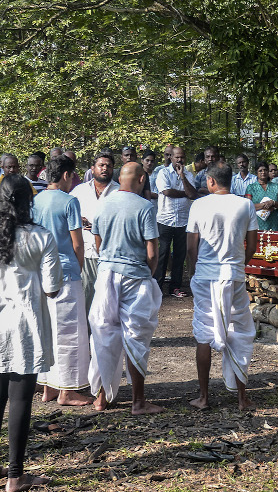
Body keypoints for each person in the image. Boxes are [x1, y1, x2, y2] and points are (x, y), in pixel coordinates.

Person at [0, 174, 60, 492]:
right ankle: (16, 476)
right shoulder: (42, 237)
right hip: (26, 326)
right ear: (28, 202)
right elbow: (53, 287)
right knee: (20, 400)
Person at [89, 163, 164, 415]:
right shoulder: (145, 207)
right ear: (142, 179)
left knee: (104, 334)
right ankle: (138, 401)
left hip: (106, 274)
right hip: (135, 277)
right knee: (136, 336)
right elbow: (152, 252)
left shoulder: (103, 204)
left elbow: (98, 244)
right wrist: (148, 274)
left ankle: (101, 398)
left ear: (119, 178)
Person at [186, 163, 258, 411]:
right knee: (239, 332)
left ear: (210, 181)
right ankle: (241, 398)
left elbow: (191, 247)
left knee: (204, 334)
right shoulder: (245, 204)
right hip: (234, 275)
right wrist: (239, 265)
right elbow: (252, 246)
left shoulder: (199, 205)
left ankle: (204, 398)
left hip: (206, 276)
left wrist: (194, 272)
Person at [33, 155, 90, 406]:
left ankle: (48, 386)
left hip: (40, 272)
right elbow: (78, 243)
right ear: (66, 175)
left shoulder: (36, 200)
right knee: (69, 333)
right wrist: (78, 268)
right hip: (66, 272)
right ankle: (67, 390)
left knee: (47, 330)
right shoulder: (70, 201)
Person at [70, 152, 119, 312]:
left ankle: (106, 335)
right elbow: (68, 216)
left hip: (111, 253)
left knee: (108, 299)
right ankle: (87, 334)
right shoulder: (79, 191)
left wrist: (100, 227)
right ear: (92, 168)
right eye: (101, 165)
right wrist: (79, 219)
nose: (105, 168)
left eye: (108, 166)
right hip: (85, 253)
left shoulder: (119, 192)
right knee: (86, 297)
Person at [153, 146, 198, 298]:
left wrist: (182, 177)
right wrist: (185, 193)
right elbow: (166, 192)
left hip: (183, 220)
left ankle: (175, 287)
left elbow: (192, 194)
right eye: (176, 157)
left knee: (180, 254)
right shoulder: (163, 173)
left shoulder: (188, 175)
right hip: (165, 219)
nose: (179, 160)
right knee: (163, 254)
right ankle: (157, 287)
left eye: (182, 157)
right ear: (170, 157)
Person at [0, 154, 34, 222]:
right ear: (3, 167)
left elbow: (34, 197)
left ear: (18, 167)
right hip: (0, 222)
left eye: (14, 167)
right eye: (9, 167)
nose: (12, 170)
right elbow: (3, 203)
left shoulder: (24, 182)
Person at [245, 162, 278, 231]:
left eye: (265, 170)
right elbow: (248, 207)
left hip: (273, 224)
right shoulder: (251, 188)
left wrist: (273, 203)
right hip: (256, 225)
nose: (263, 172)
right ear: (256, 173)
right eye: (260, 171)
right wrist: (264, 205)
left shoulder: (276, 187)